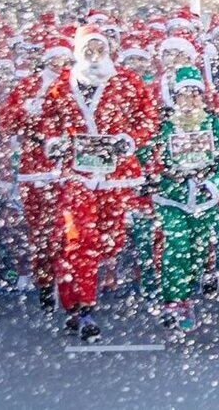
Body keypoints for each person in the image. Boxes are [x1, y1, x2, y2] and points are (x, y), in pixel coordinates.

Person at [39, 25, 157, 342]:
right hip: (76, 174)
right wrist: (55, 142)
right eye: (87, 50)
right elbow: (48, 120)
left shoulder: (125, 81)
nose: (94, 56)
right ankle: (84, 308)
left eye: (99, 49)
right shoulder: (63, 85)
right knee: (80, 238)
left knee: (109, 241)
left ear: (108, 51)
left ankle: (71, 289)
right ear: (78, 52)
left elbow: (148, 116)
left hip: (113, 174)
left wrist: (129, 139)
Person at [136, 67, 219, 331]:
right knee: (175, 245)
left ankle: (186, 294)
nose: (190, 101)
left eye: (195, 95)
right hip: (172, 197)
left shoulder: (213, 124)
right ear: (175, 97)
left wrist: (214, 183)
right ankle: (172, 300)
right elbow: (143, 154)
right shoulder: (164, 126)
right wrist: (157, 174)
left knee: (197, 250)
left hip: (204, 199)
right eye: (184, 95)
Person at [0, 35, 72, 311]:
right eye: (55, 56)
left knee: (64, 231)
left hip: (64, 166)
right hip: (33, 167)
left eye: (63, 56)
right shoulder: (29, 84)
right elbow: (7, 119)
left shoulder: (75, 83)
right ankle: (44, 282)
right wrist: (26, 113)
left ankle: (68, 287)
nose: (59, 62)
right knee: (39, 232)